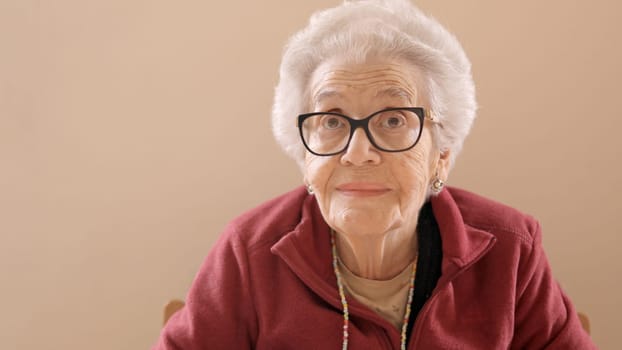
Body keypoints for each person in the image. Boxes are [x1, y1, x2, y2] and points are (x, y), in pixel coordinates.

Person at [153, 0, 596, 348]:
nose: (358, 152)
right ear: (305, 157)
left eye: (393, 120)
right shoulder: (248, 253)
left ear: (440, 153)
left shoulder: (511, 249)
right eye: (331, 121)